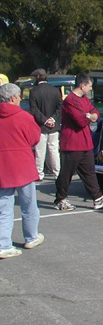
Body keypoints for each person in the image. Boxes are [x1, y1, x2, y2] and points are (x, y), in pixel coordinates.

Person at [55, 73, 103, 211]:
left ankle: (98, 198)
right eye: (89, 86)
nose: (90, 89)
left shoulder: (84, 99)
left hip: (85, 142)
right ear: (82, 86)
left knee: (89, 172)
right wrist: (89, 116)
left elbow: (96, 113)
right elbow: (80, 120)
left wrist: (91, 115)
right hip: (72, 143)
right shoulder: (70, 100)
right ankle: (61, 199)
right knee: (67, 173)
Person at [0, 83, 44, 259]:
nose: (20, 99)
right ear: (13, 98)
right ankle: (31, 236)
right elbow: (34, 138)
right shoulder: (23, 117)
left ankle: (3, 244)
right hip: (22, 165)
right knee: (29, 204)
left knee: (4, 208)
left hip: (2, 166)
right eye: (19, 97)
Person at [29, 69, 62, 180]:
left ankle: (39, 173)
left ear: (38, 77)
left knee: (40, 151)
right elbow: (59, 107)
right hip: (54, 125)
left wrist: (44, 120)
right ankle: (57, 172)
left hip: (40, 126)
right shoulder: (55, 90)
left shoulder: (34, 91)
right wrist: (53, 119)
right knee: (54, 150)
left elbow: (34, 110)